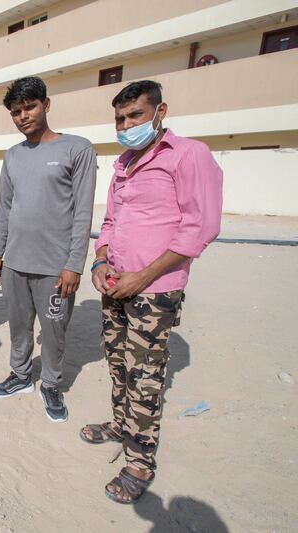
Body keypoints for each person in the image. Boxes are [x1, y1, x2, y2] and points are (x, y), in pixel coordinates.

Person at [81, 80, 222, 504]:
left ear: (160, 112)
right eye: (120, 119)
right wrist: (101, 261)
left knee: (145, 376)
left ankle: (139, 462)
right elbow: (110, 224)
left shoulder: (189, 155)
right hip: (115, 284)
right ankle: (122, 426)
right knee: (119, 364)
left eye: (135, 116)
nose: (126, 125)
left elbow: (201, 227)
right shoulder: (124, 163)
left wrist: (141, 278)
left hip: (154, 290)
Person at [0, 76, 97, 423]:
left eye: (29, 107)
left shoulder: (77, 149)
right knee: (18, 326)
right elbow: (4, 208)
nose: (23, 116)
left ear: (46, 105)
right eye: (16, 111)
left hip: (55, 267)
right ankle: (20, 376)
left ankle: (51, 383)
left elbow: (83, 212)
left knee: (53, 328)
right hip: (15, 264)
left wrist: (74, 265)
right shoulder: (13, 156)